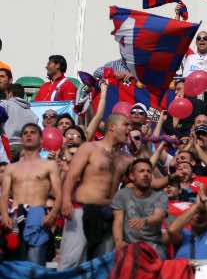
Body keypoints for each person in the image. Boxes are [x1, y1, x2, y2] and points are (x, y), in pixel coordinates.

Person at [59, 113, 131, 269]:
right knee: (71, 261)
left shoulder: (125, 159)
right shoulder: (89, 148)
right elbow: (71, 176)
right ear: (112, 127)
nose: (129, 129)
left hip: (109, 213)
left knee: (102, 264)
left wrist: (171, 176)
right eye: (126, 124)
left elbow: (145, 178)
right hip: (81, 210)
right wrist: (65, 201)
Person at [0, 123, 62, 264]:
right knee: (14, 266)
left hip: (38, 215)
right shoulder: (11, 167)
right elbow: (4, 195)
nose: (28, 134)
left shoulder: (49, 165)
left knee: (34, 266)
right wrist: (4, 215)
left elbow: (59, 193)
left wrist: (52, 216)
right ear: (22, 139)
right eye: (25, 132)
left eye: (33, 132)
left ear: (41, 140)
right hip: (14, 218)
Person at [111, 159, 168, 258]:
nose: (146, 174)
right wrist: (119, 243)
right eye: (141, 171)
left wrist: (144, 220)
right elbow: (118, 222)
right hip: (129, 245)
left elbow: (158, 217)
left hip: (154, 246)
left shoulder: (160, 195)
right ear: (132, 176)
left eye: (149, 171)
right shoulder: (122, 194)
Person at [167, 183, 207, 260]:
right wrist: (197, 206)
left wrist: (204, 198)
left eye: (202, 212)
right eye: (195, 212)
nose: (198, 216)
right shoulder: (183, 234)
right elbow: (172, 230)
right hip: (186, 271)